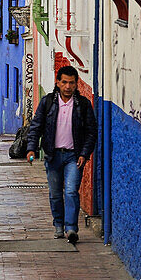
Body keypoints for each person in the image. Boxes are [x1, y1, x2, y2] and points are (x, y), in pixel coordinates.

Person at [26, 65, 96, 244]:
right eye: (64, 82)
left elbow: (91, 132)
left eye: (71, 83)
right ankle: (58, 225)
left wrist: (84, 153)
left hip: (74, 156)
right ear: (57, 82)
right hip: (52, 155)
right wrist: (31, 148)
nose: (67, 86)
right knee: (55, 194)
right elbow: (36, 126)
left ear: (76, 84)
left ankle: (71, 228)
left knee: (71, 191)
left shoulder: (83, 105)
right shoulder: (48, 102)